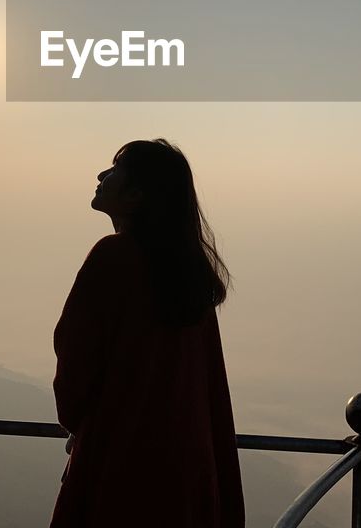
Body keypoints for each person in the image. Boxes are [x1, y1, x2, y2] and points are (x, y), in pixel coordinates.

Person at [49, 139, 245, 528]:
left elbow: (75, 369)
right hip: (189, 470)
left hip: (121, 467)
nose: (102, 176)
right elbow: (212, 391)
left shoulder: (113, 258)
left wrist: (82, 430)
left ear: (137, 195)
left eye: (115, 169)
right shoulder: (189, 276)